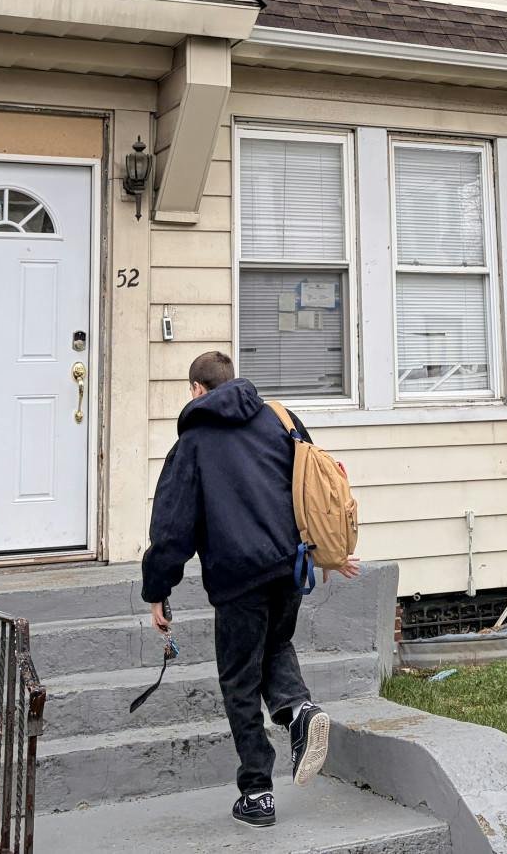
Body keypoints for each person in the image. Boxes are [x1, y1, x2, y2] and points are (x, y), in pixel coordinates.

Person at [140, 350, 362, 828]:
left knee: (240, 679)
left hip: (237, 576)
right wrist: (330, 550)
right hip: (289, 566)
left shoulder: (193, 444)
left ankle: (257, 793)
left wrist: (158, 589)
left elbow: (172, 529)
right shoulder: (281, 418)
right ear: (233, 382)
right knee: (276, 645)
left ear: (197, 390)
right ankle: (298, 710)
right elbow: (315, 488)